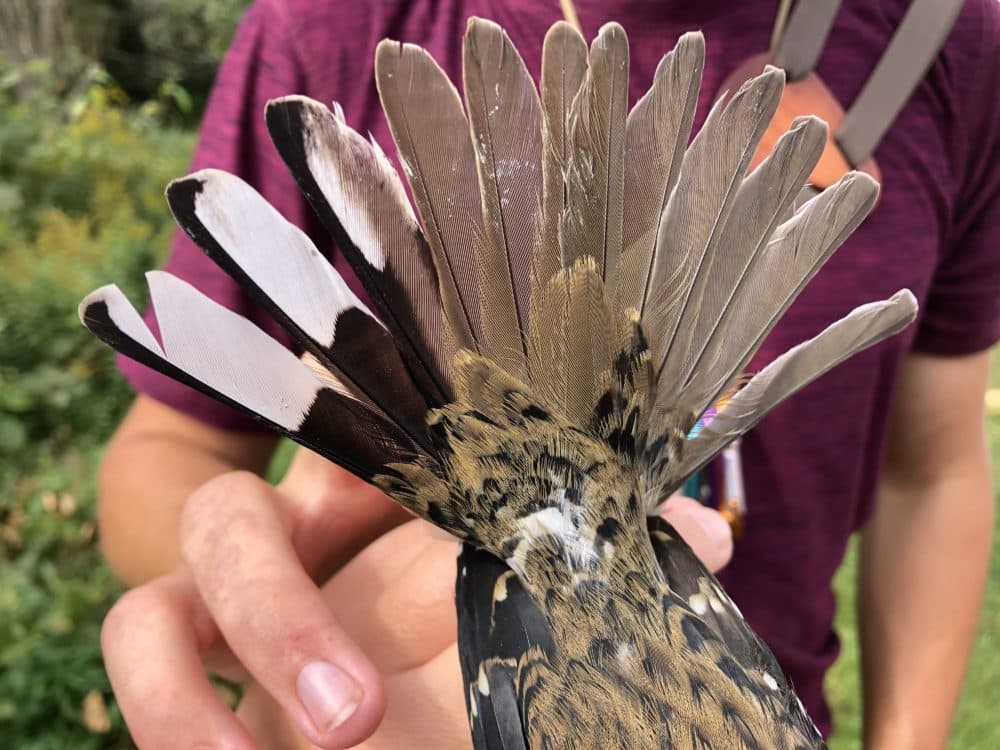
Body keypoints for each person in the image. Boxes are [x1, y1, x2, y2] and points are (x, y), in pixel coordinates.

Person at [96, 0, 1000, 748]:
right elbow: (173, 441)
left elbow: (936, 468)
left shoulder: (948, 39)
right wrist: (240, 576)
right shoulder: (327, 25)